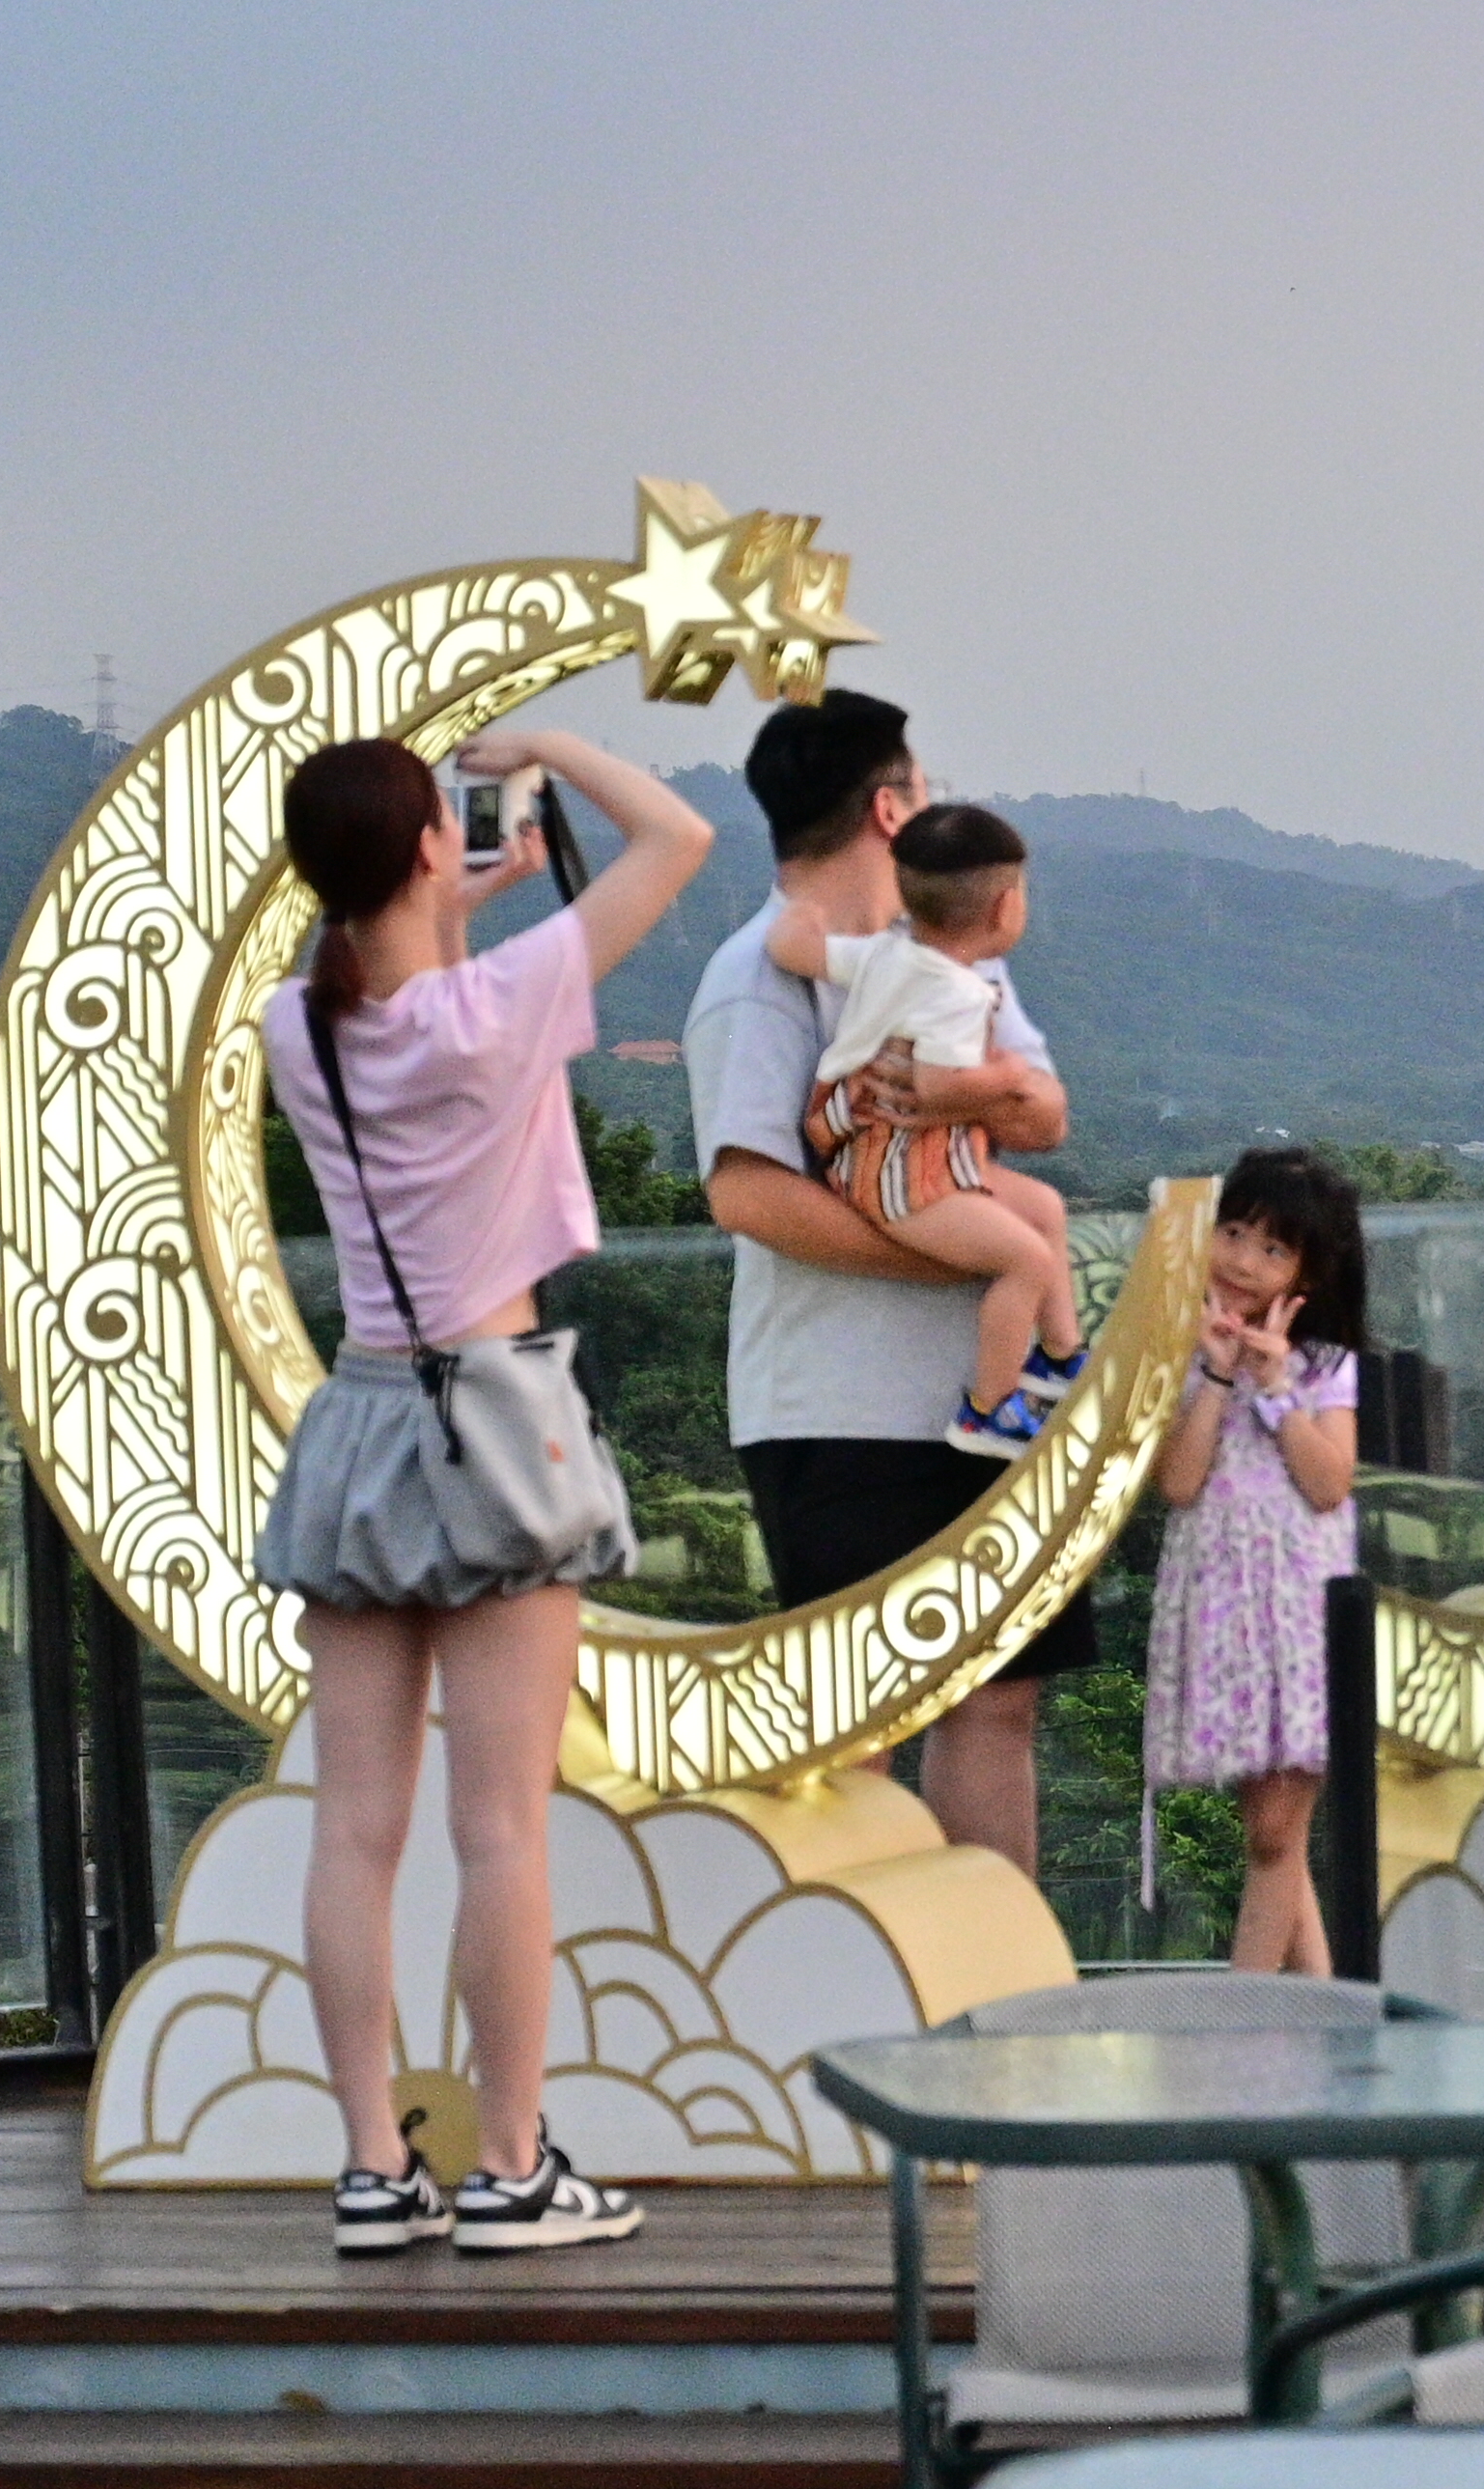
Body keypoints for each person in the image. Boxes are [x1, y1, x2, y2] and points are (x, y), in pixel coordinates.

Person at [250, 724, 714, 2252]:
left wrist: (456, 889)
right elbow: (679, 840)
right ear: (428, 850)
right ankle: (513, 2166)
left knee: (353, 1829)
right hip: (498, 1415)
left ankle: (377, 2168)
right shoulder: (500, 1004)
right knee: (502, 1827)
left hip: (364, 1418)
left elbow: (389, 979)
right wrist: (553, 749)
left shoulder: (287, 1027)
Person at [684, 691, 1088, 1868]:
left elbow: (1046, 1109)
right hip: (838, 1409)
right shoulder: (757, 980)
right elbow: (747, 1191)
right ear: (888, 805)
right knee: (857, 1726)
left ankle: (991, 1998)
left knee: (998, 1699)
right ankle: (859, 2012)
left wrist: (986, 1098)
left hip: (988, 1406)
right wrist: (942, 1241)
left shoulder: (951, 960)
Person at [764, 802, 1085, 1457]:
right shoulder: (957, 994)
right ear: (1004, 909)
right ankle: (989, 1410)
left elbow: (797, 952)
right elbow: (937, 1088)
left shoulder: (890, 954)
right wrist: (1005, 1078)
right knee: (1024, 1259)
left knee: (1045, 1209)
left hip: (892, 1156)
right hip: (900, 1175)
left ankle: (1061, 1356)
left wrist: (795, 923)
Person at [1142, 1145, 1367, 1972]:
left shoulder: (1326, 1364)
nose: (1241, 1260)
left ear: (1308, 1268)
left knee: (1277, 1832)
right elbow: (1180, 1479)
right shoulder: (1185, 1345)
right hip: (1225, 1605)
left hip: (1303, 1609)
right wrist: (1216, 1373)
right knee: (1273, 1833)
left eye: (1272, 1248)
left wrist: (1275, 1392)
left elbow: (1328, 1484)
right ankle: (1331, 2017)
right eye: (1231, 1232)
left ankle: (1243, 2023)